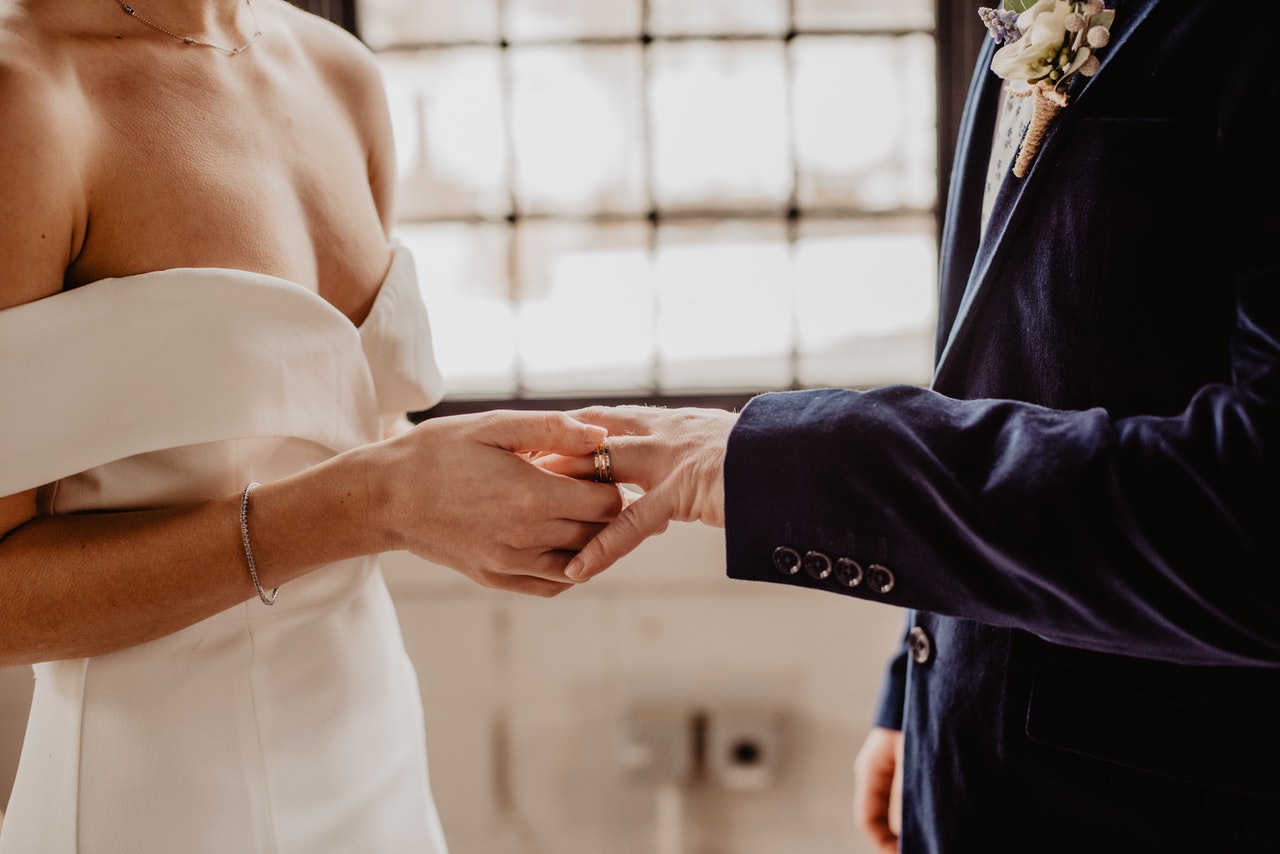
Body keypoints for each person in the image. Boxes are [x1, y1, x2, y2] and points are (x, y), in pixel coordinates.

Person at [560, 1, 1280, 851]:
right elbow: (1010, 361)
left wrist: (777, 460)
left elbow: (1254, 509)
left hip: (1169, 797)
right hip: (974, 752)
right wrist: (919, 680)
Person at [0, 1, 621, 851]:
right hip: (161, 798)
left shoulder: (339, 71)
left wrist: (492, 491)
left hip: (375, 750)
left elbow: (346, 425)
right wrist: (375, 503)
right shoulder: (24, 95)